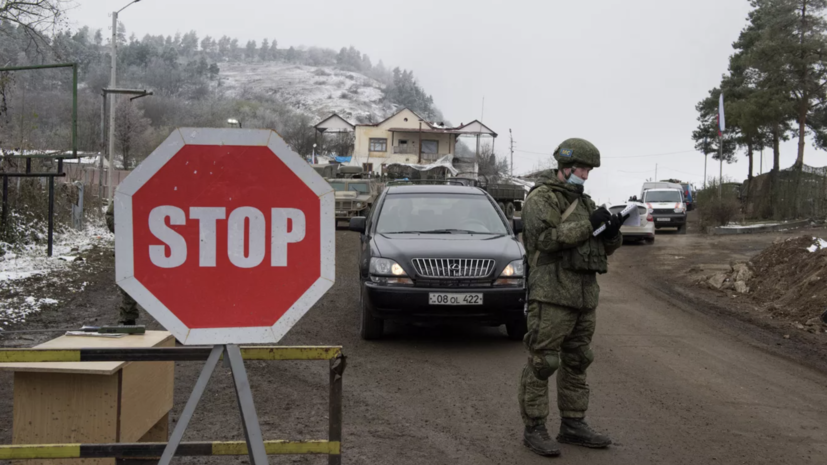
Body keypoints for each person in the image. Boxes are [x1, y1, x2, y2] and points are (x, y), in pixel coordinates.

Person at [518, 138, 626, 457]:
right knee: (543, 361)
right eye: (582, 169)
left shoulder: (587, 202)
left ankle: (573, 424)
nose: (586, 175)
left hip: (583, 297)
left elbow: (601, 249)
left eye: (589, 170)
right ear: (565, 167)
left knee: (578, 360)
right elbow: (545, 240)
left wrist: (611, 233)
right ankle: (535, 428)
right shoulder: (541, 198)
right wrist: (586, 227)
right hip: (551, 294)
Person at [106, 201, 139, 325]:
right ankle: (128, 316)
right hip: (127, 245)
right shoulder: (126, 193)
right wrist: (124, 230)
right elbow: (110, 215)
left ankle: (175, 324)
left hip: (159, 246)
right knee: (127, 280)